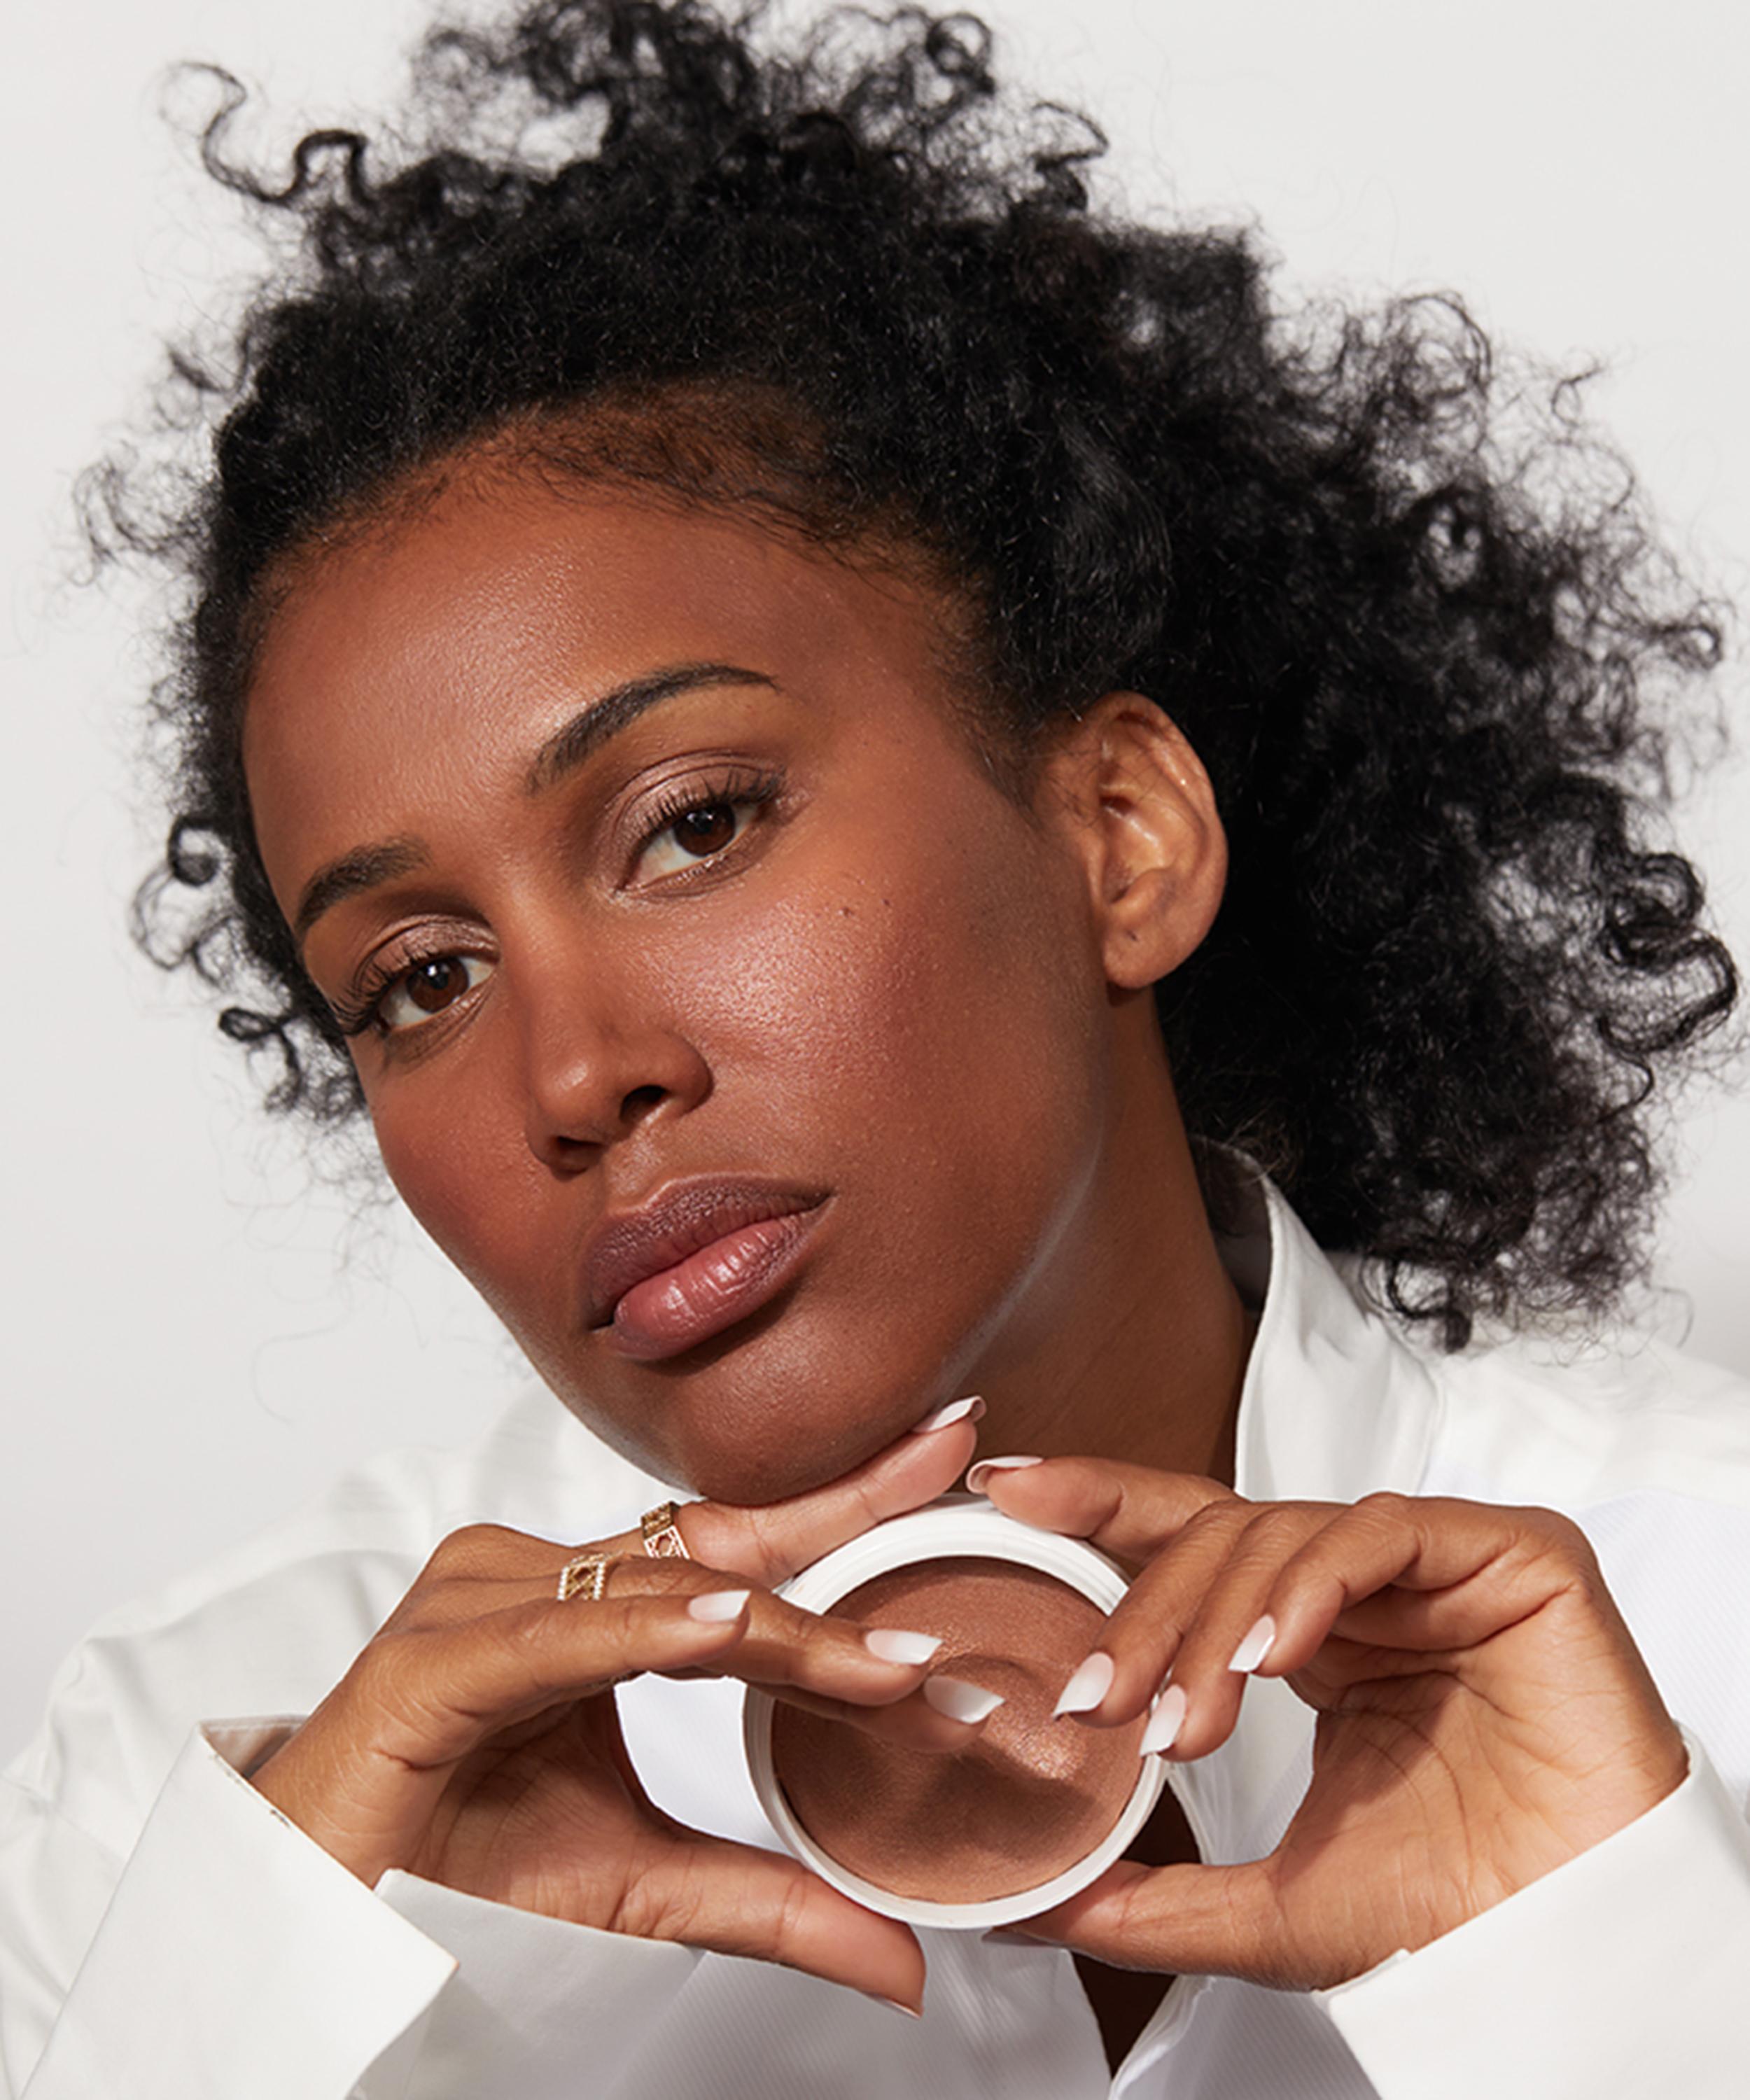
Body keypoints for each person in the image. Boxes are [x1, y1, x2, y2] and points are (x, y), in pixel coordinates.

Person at [6, 1, 1750, 2093]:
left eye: (694, 825)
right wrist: (278, 2022)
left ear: (1120, 838)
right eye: (420, 980)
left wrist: (1612, 1995)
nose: (572, 1077)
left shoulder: (1707, 1618)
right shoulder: (229, 1794)